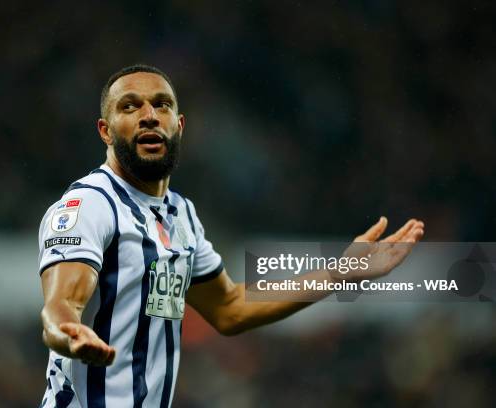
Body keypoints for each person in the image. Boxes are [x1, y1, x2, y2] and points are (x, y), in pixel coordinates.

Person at [37, 64, 425, 408]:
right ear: (105, 131)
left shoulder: (180, 215)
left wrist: (339, 273)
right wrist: (66, 335)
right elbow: (61, 306)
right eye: (130, 106)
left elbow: (230, 308)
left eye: (162, 105)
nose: (149, 116)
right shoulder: (89, 205)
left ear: (180, 125)